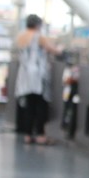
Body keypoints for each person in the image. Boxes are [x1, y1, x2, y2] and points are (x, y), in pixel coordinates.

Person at [14, 14, 62, 145]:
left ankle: (28, 134)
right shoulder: (38, 36)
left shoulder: (21, 37)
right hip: (38, 75)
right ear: (37, 25)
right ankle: (40, 134)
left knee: (29, 105)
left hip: (24, 75)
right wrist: (60, 49)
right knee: (40, 105)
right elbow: (54, 50)